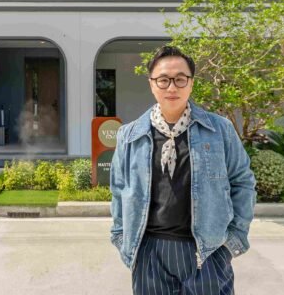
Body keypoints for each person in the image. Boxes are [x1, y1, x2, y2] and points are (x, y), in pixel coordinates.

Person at [109, 45, 257, 294]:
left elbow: (242, 182)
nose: (172, 87)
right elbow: (118, 188)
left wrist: (231, 243)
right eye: (163, 80)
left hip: (207, 251)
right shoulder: (130, 135)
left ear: (191, 83)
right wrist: (121, 237)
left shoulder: (219, 130)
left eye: (180, 79)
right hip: (149, 252)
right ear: (152, 84)